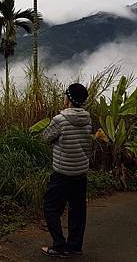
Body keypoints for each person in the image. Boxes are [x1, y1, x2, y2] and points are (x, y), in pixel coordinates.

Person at [40, 83, 92, 258]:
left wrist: (57, 141)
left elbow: (46, 137)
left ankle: (59, 245)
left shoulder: (59, 120)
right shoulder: (87, 119)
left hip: (62, 174)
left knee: (50, 207)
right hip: (81, 173)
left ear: (68, 99)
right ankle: (75, 246)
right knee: (78, 210)